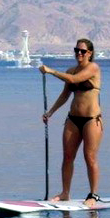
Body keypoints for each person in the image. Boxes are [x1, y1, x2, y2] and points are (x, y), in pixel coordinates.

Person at [40, 38, 103, 207]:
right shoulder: (71, 70)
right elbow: (65, 95)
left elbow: (75, 80)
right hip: (72, 120)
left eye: (82, 51)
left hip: (91, 120)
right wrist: (50, 112)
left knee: (89, 157)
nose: (79, 54)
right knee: (67, 157)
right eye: (76, 50)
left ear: (89, 53)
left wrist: (51, 71)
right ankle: (65, 193)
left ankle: (93, 195)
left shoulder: (93, 68)